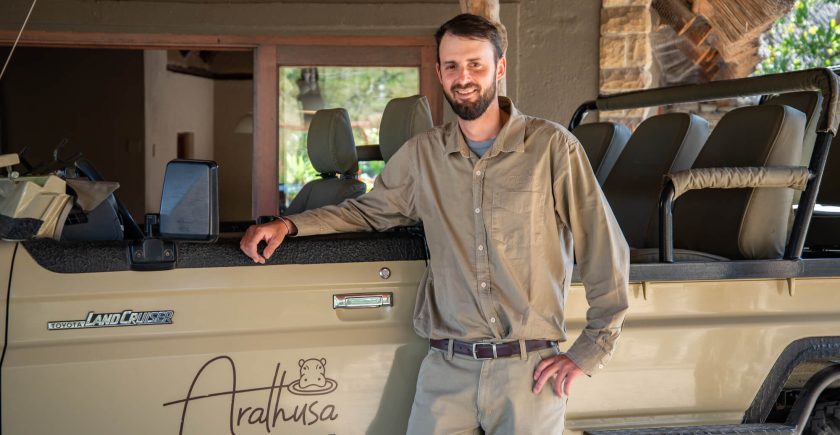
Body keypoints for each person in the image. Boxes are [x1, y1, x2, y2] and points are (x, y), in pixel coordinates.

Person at [240, 13, 629, 435]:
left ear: (499, 68)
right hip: (446, 370)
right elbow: (367, 212)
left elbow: (604, 249)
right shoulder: (423, 155)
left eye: (475, 64)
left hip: (529, 373)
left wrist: (590, 350)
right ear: (441, 75)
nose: (463, 77)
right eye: (451, 66)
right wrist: (289, 226)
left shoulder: (552, 148)